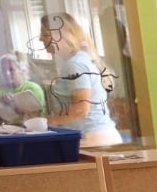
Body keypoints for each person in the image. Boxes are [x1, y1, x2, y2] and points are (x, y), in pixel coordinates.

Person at [39, 12, 122, 146]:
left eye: (45, 35)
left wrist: (48, 122)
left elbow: (81, 109)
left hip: (93, 139)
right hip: (96, 136)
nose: (40, 39)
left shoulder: (75, 64)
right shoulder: (78, 60)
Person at [0, 52, 46, 124]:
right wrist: (1, 105)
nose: (6, 73)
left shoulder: (34, 88)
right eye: (3, 70)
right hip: (6, 132)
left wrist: (14, 106)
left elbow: (37, 117)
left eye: (11, 69)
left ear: (21, 71)